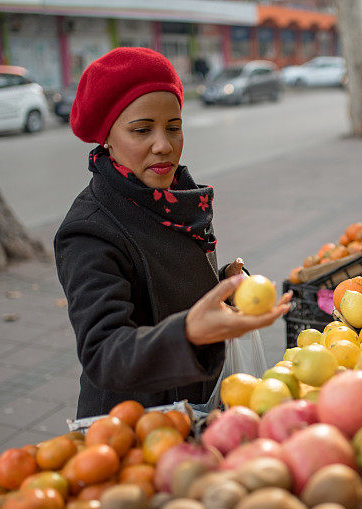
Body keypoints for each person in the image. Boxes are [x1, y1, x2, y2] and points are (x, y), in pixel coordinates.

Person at [55, 48, 292, 418]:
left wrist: (224, 284)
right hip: (135, 425)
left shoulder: (177, 199)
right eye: (141, 130)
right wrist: (188, 333)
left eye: (173, 127)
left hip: (197, 402)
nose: (163, 144)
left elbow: (170, 282)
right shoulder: (89, 230)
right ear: (107, 138)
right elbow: (102, 353)